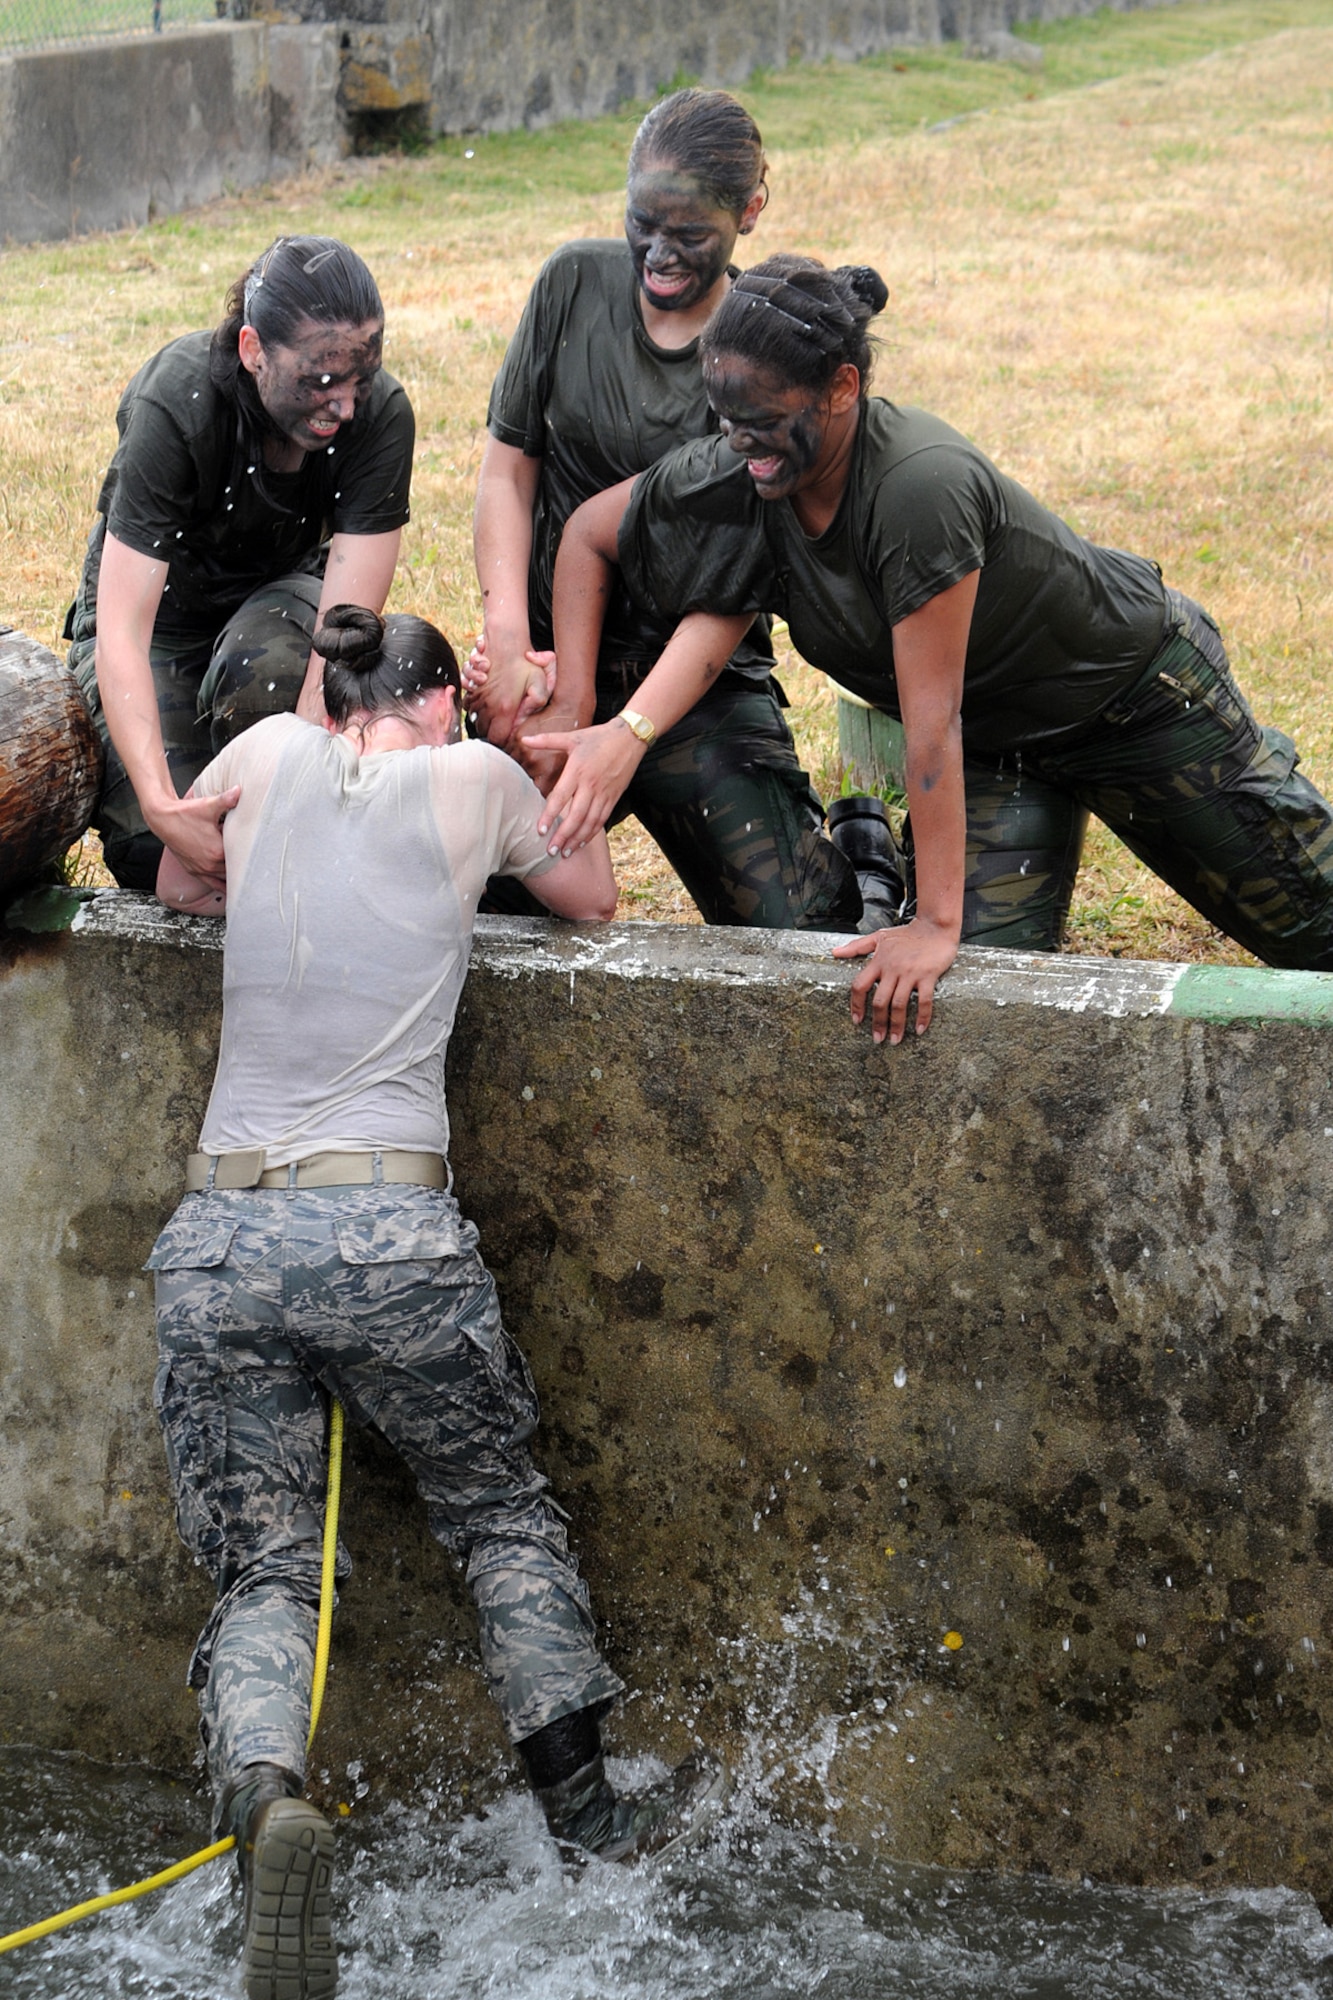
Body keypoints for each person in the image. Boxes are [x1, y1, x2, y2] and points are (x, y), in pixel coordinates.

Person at [151, 606, 725, 2000]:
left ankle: (270, 1809)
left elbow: (181, 893)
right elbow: (590, 896)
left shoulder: (263, 751)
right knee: (494, 1514)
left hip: (218, 1240)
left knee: (269, 1572)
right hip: (390, 1234)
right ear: (436, 705)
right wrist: (519, 745)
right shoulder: (473, 779)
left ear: (321, 689)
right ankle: (589, 1821)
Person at [530, 253, 1333, 1044]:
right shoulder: (749, 469)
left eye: (765, 419)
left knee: (1312, 933)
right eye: (725, 417)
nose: (741, 442)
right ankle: (883, 859)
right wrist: (581, 711)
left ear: (841, 388)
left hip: (1135, 706)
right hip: (993, 747)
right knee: (967, 1012)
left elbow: (929, 721)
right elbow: (589, 536)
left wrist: (938, 920)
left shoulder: (918, 486)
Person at [469, 88, 871, 931]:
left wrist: (630, 732)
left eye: (689, 234)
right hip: (556, 662)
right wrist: (510, 639)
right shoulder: (570, 285)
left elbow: (729, 592)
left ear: (750, 211)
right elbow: (508, 469)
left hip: (698, 686)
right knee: (463, 901)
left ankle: (864, 853)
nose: (658, 253)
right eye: (641, 222)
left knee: (805, 931)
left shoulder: (763, 348)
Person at [68, 235, 414, 895]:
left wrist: (306, 785)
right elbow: (122, 631)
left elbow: (343, 629)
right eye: (320, 381)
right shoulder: (178, 402)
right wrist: (165, 809)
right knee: (152, 854)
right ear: (252, 350)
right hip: (161, 619)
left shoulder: (380, 417)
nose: (344, 404)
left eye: (359, 380)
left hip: (281, 602)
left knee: (271, 687)